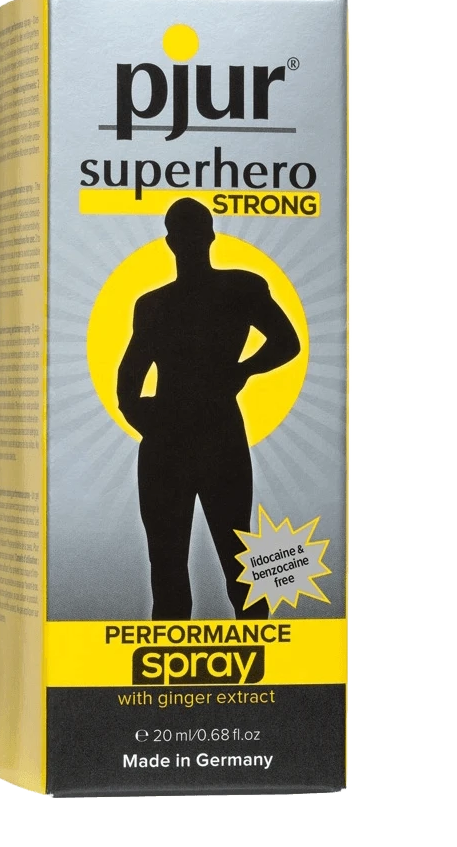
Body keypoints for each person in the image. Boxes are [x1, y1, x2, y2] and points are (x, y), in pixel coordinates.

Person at [117, 198, 301, 620]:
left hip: (209, 434)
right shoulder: (157, 303)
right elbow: (129, 377)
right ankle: (182, 657)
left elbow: (287, 342)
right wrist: (146, 417)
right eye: (186, 234)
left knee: (234, 561)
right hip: (186, 437)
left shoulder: (237, 288)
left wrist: (242, 370)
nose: (189, 241)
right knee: (178, 565)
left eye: (193, 232)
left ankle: (251, 655)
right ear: (177, 241)